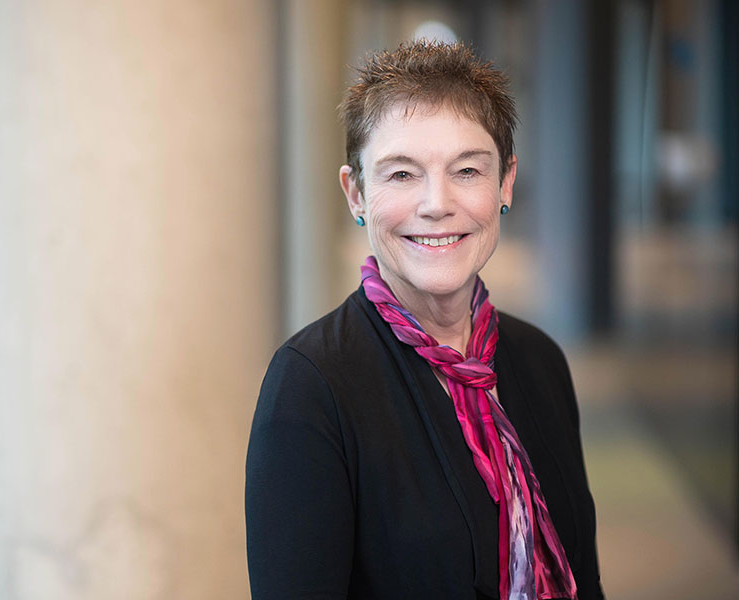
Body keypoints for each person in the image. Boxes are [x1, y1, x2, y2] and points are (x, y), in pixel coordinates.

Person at [245, 40, 604, 600]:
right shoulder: (310, 387)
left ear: (505, 182)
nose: (437, 203)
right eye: (402, 174)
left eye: (466, 169)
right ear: (356, 192)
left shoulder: (540, 360)